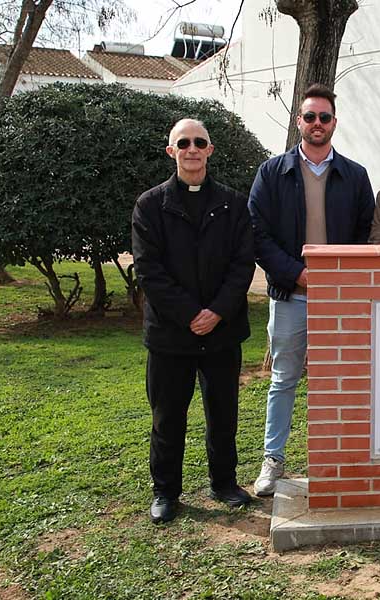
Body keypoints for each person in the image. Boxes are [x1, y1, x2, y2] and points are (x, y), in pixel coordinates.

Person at [248, 84, 375, 496]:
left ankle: (337, 462)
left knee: (339, 379)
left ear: (334, 123)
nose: (316, 124)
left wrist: (338, 276)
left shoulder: (355, 175)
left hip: (340, 300)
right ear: (298, 121)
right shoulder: (272, 171)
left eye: (324, 117)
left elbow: (365, 235)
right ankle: (273, 460)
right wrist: (296, 274)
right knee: (284, 378)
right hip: (290, 296)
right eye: (309, 117)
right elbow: (257, 233)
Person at [131, 118, 256, 524]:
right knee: (168, 417)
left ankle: (224, 483)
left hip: (222, 332)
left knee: (223, 414)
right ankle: (166, 492)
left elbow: (242, 265)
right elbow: (149, 271)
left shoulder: (233, 203)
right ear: (171, 152)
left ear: (210, 150)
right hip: (171, 334)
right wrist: (190, 315)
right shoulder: (150, 205)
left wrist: (216, 311)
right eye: (183, 143)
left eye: (199, 142)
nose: (191, 149)